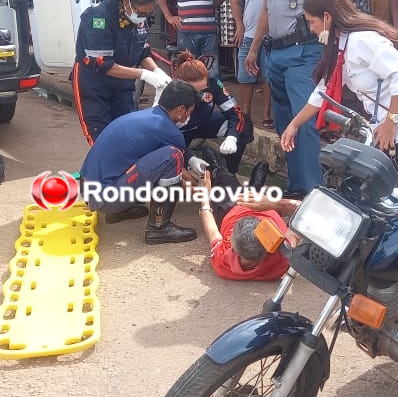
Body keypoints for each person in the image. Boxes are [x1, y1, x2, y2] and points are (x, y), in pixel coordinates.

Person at [281, 0, 398, 171]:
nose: (311, 28)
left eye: (311, 22)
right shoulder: (342, 44)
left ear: (327, 17)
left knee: (385, 189)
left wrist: (391, 123)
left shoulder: (361, 40)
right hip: (388, 124)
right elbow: (323, 91)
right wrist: (294, 125)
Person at [246, 0, 339, 196]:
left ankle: (313, 192)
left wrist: (333, 47)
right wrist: (254, 49)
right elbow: (266, 8)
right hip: (274, 53)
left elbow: (336, 7)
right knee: (285, 121)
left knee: (304, 121)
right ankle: (296, 185)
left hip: (305, 52)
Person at [80, 80, 209, 245]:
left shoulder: (146, 116)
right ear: (180, 110)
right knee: (173, 157)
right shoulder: (170, 130)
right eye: (189, 112)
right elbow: (178, 169)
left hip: (89, 188)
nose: (188, 117)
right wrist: (201, 189)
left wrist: (190, 163)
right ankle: (159, 228)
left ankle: (120, 211)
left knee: (151, 160)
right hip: (105, 197)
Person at [73, 0, 171, 145]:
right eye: (142, 13)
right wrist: (145, 75)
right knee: (101, 139)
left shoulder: (136, 20)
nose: (144, 17)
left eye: (148, 14)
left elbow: (143, 51)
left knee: (128, 133)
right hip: (94, 86)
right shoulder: (97, 18)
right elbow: (103, 64)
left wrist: (157, 71)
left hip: (123, 85)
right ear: (126, 1)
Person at [196, 152, 292, 281]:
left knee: (224, 184)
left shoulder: (223, 261)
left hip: (235, 208)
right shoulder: (283, 258)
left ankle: (217, 169)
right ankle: (255, 188)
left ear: (233, 248)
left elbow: (212, 230)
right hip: (267, 207)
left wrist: (204, 195)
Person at [170, 50, 254, 174]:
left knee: (244, 123)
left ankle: (227, 173)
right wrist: (190, 158)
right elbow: (164, 135)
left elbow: (235, 114)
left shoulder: (213, 83)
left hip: (203, 122)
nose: (198, 95)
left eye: (202, 90)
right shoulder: (170, 91)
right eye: (193, 91)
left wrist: (232, 137)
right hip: (180, 131)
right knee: (171, 160)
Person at [231, 0, 273, 130]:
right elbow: (235, 1)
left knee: (268, 77)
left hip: (271, 38)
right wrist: (239, 25)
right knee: (245, 77)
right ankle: (245, 114)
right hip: (248, 35)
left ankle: (266, 114)